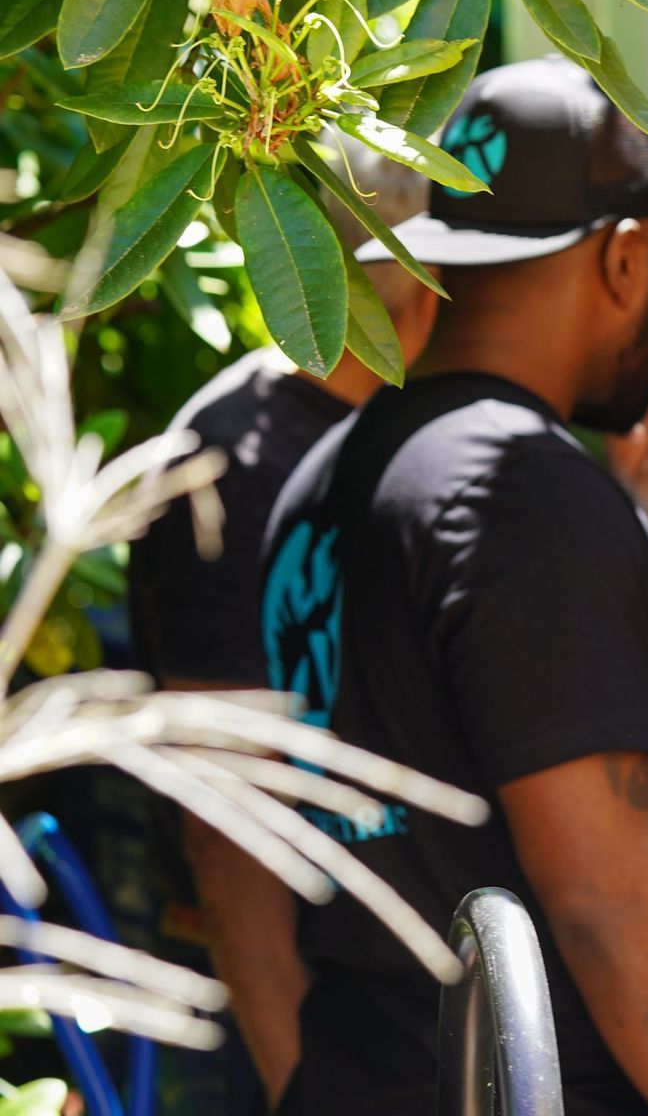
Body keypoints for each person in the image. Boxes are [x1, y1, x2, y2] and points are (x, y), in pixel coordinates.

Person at [261, 57, 648, 1116]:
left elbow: (477, 732)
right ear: (626, 262)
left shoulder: (327, 480)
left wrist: (643, 536)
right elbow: (607, 904)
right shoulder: (524, 501)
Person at [125, 150, 439, 1111]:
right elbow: (227, 830)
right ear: (418, 286)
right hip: (269, 1017)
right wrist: (297, 1085)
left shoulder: (406, 428)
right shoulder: (234, 462)